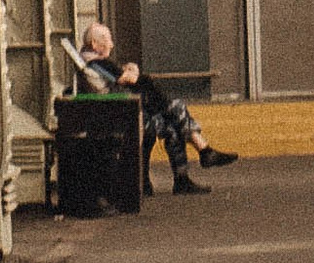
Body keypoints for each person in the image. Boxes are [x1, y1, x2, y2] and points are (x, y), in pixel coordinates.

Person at [67, 23, 235, 195]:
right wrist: (133, 70)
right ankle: (199, 156)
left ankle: (197, 161)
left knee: (172, 120)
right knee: (171, 110)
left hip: (116, 111)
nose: (112, 44)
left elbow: (118, 76)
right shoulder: (96, 61)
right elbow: (130, 79)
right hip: (120, 115)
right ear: (95, 44)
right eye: (108, 40)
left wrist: (129, 71)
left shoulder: (92, 61)